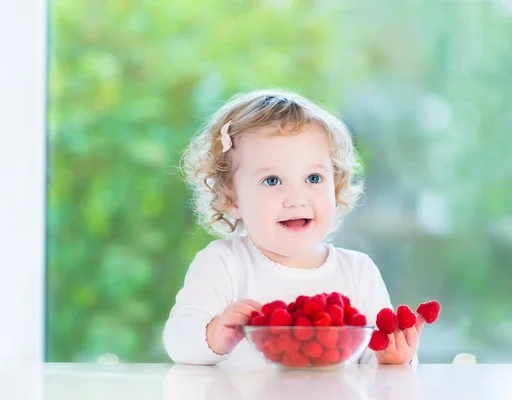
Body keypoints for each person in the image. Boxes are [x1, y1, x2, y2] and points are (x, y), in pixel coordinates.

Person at [163, 89, 425, 365]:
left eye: (313, 177)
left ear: (335, 185)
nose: (297, 199)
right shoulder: (223, 263)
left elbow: (375, 358)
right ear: (232, 197)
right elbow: (177, 341)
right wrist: (213, 334)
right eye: (272, 181)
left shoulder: (359, 272)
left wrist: (395, 357)